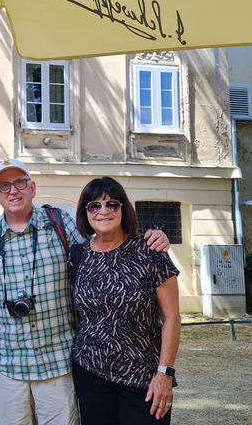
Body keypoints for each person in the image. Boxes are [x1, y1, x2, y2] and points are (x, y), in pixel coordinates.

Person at [0, 160, 170, 425]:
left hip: (58, 361)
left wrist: (149, 237)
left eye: (20, 183)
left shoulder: (59, 223)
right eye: (4, 186)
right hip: (8, 363)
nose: (13, 191)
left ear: (32, 188)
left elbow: (103, 246)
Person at [70, 177, 180, 424]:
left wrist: (165, 374)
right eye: (94, 206)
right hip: (90, 373)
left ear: (124, 209)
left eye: (112, 204)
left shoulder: (150, 251)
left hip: (144, 376)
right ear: (85, 212)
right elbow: (78, 316)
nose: (103, 211)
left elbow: (172, 317)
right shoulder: (77, 256)